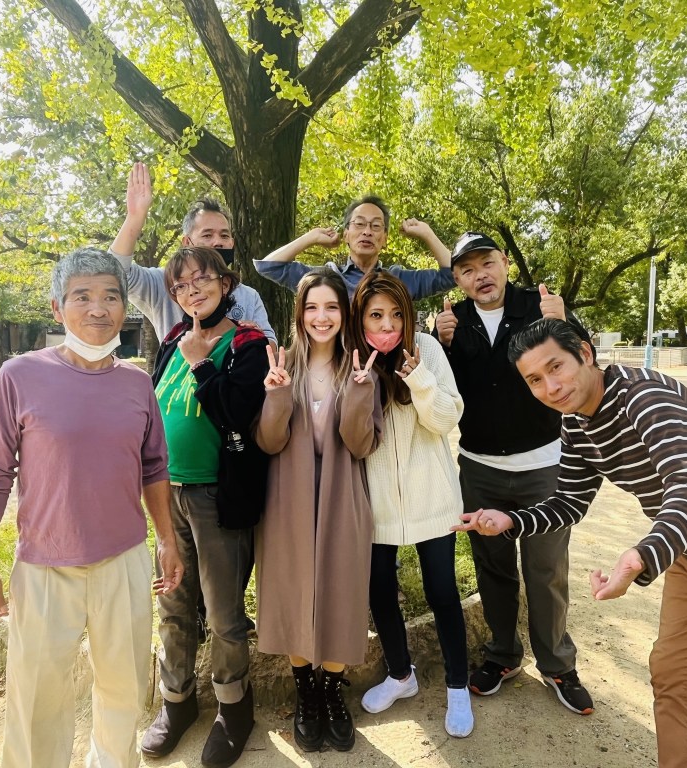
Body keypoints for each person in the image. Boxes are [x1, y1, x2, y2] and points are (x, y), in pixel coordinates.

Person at [454, 318, 687, 768]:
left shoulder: (645, 398)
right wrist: (511, 519)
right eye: (535, 380)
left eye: (556, 367)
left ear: (585, 353)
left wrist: (642, 555)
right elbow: (570, 502)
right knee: (672, 674)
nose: (551, 387)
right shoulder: (576, 424)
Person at [0, 248, 184, 768]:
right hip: (46, 564)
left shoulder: (137, 383)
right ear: (57, 307)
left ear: (125, 307)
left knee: (124, 689)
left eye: (110, 296)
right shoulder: (20, 376)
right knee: (37, 697)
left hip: (123, 562)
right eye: (82, 297)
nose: (98, 309)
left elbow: (154, 467)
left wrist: (167, 540)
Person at [434, 231, 594, 714]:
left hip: (544, 466)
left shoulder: (540, 306)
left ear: (504, 263)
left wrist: (565, 324)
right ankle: (502, 655)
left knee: (546, 571)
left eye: (487, 263)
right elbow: (444, 391)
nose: (480, 276)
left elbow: (585, 364)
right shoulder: (452, 322)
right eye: (467, 270)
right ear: (457, 279)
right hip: (479, 468)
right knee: (493, 567)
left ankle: (558, 664)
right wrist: (443, 344)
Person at [140, 247, 270, 768]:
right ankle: (177, 702)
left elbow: (238, 413)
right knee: (173, 604)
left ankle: (234, 709)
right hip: (165, 493)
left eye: (202, 279)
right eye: (181, 285)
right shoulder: (173, 339)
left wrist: (200, 363)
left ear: (225, 282)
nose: (192, 290)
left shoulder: (247, 344)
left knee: (222, 613)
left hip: (218, 497)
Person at [254, 268, 382, 753]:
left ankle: (331, 692)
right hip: (287, 501)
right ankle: (305, 693)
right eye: (311, 307)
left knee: (340, 594)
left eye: (331, 307)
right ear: (300, 314)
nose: (321, 317)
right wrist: (276, 394)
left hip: (342, 499)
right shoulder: (283, 364)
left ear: (343, 313)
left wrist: (362, 391)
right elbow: (269, 441)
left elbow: (360, 444)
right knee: (293, 594)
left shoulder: (359, 368)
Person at [349, 271, 474, 738]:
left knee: (442, 592)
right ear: (361, 318)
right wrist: (360, 388)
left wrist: (418, 377)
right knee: (379, 591)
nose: (388, 325)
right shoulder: (352, 357)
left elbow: (445, 419)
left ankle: (458, 685)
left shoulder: (428, 349)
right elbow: (351, 437)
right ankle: (401, 674)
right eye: (376, 315)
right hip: (376, 503)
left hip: (432, 497)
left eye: (396, 314)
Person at [109, 162, 276, 344]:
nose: (218, 242)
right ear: (187, 243)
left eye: (224, 235)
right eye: (207, 235)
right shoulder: (162, 283)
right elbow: (113, 273)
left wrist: (255, 341)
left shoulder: (249, 296)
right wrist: (135, 216)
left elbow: (271, 346)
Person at [254, 195, 455, 300]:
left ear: (385, 239)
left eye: (376, 226)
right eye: (359, 224)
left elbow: (452, 275)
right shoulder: (325, 278)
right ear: (346, 235)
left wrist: (427, 234)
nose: (367, 232)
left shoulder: (398, 280)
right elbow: (268, 266)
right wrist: (311, 237)